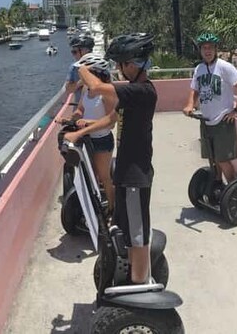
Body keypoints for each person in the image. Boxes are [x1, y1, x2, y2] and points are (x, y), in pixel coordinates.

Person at [74, 32, 157, 285]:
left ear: (133, 64)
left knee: (138, 236)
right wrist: (83, 128)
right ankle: (134, 273)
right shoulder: (131, 93)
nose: (120, 70)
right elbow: (111, 119)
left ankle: (139, 286)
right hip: (124, 170)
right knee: (129, 230)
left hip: (135, 174)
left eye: (121, 64)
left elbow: (97, 87)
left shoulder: (141, 90)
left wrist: (81, 67)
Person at [183, 32, 237, 186]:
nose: (207, 51)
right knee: (212, 157)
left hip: (223, 120)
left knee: (223, 159)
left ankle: (233, 189)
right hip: (206, 120)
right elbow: (195, 90)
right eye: (204, 48)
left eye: (210, 48)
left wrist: (236, 111)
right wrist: (190, 105)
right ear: (200, 50)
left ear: (215, 49)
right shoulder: (199, 68)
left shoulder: (225, 67)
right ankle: (218, 185)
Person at [62, 54, 119, 214]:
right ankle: (92, 207)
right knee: (90, 175)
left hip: (102, 140)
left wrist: (87, 123)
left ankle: (112, 209)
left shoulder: (107, 92)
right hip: (87, 139)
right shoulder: (87, 89)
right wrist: (71, 118)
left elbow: (110, 121)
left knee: (103, 176)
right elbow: (81, 109)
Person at [65, 35, 95, 105]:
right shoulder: (73, 67)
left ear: (86, 51)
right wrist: (81, 82)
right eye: (72, 52)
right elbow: (68, 89)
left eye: (75, 52)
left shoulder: (100, 66)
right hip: (79, 109)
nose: (73, 55)